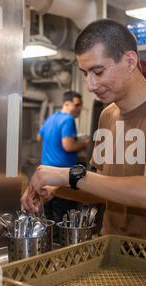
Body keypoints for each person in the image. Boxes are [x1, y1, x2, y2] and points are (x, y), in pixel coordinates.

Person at [22, 19, 146, 244]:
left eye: (98, 71)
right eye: (85, 73)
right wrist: (59, 188)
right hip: (112, 246)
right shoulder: (107, 115)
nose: (90, 85)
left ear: (130, 61)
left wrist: (67, 175)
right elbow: (104, 188)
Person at [37, 90, 88, 222]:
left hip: (46, 174)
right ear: (66, 103)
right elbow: (68, 146)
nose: (80, 108)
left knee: (49, 219)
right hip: (62, 176)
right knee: (64, 218)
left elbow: (39, 138)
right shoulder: (69, 119)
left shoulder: (51, 118)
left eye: (80, 105)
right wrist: (86, 144)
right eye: (77, 105)